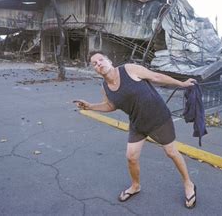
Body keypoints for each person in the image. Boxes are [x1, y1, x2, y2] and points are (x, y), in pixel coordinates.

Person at [75, 51, 197, 209]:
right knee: (131, 157)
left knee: (171, 152)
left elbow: (156, 77)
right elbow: (110, 105)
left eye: (101, 60)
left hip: (158, 118)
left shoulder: (129, 69)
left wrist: (182, 84)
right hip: (138, 123)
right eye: (95, 64)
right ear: (95, 69)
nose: (99, 64)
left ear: (109, 60)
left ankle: (189, 184)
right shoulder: (105, 87)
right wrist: (90, 106)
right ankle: (135, 186)